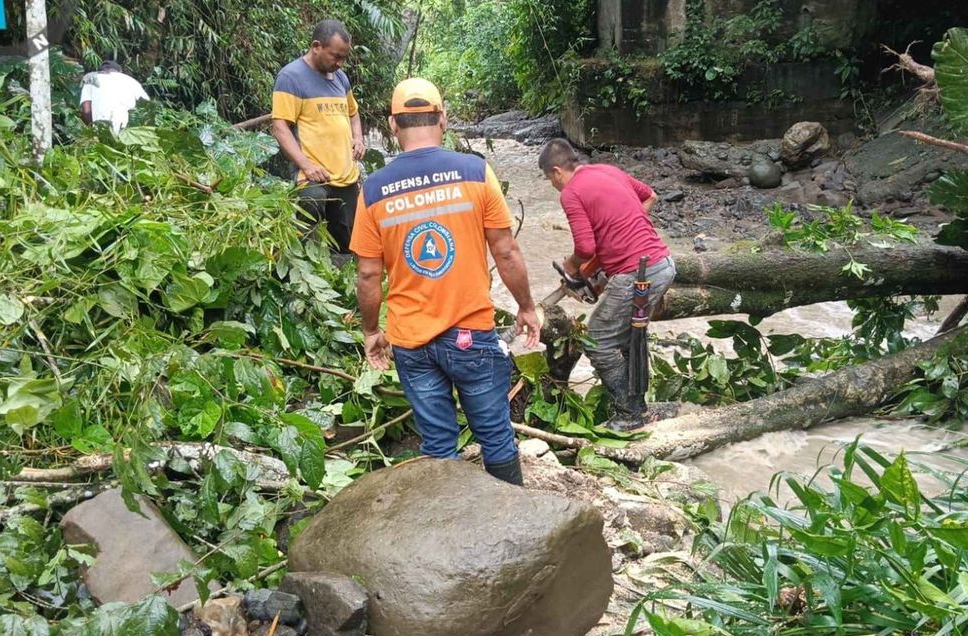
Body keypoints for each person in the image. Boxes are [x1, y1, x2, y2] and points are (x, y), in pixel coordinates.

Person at [350, 78, 541, 486]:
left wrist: (371, 331)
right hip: (470, 333)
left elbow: (368, 273)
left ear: (392, 125)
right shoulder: (475, 171)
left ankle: (448, 535)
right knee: (494, 435)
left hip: (412, 342)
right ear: (443, 118)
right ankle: (515, 528)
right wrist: (526, 306)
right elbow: (505, 252)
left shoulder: (374, 189)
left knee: (438, 445)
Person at [539, 138, 675, 431]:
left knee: (598, 339)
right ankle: (639, 409)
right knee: (628, 340)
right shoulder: (607, 170)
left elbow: (585, 247)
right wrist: (623, 231)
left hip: (637, 273)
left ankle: (627, 416)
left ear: (556, 171)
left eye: (550, 180)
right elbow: (650, 196)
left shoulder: (571, 192)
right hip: (662, 264)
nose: (553, 185)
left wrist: (571, 267)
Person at [271, 19, 365, 254]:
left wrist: (358, 138)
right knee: (307, 225)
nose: (340, 63)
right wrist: (306, 165)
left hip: (346, 176)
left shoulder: (341, 78)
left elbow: (353, 113)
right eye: (335, 56)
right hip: (312, 176)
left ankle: (340, 281)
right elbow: (280, 127)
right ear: (316, 46)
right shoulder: (291, 77)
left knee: (348, 243)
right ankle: (299, 278)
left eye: (344, 57)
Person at [79, 60, 149, 132]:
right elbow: (146, 108)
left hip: (103, 130)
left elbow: (86, 111)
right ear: (119, 71)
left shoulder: (91, 78)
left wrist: (92, 128)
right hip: (129, 130)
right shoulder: (132, 81)